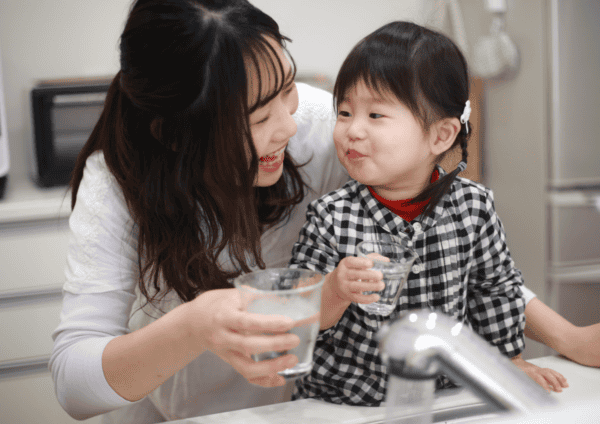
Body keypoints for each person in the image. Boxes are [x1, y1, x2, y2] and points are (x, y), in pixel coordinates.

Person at [49, 0, 348, 422]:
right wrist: (196, 324)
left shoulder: (325, 126)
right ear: (175, 134)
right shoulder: (119, 180)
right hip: (179, 412)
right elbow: (73, 385)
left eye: (288, 89)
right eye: (259, 118)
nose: (288, 126)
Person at [287, 21, 569, 406]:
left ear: (440, 136)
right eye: (345, 111)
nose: (351, 130)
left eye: (375, 116)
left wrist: (510, 360)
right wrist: (335, 289)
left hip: (444, 397)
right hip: (344, 402)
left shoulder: (473, 207)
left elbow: (495, 290)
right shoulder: (330, 217)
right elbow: (300, 317)